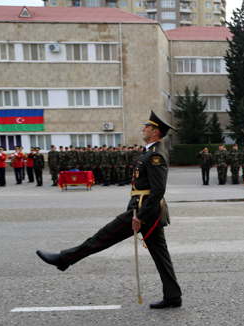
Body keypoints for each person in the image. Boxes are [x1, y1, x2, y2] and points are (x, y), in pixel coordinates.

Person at [37, 110, 183, 309]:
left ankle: (63, 259)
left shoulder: (156, 154)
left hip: (143, 212)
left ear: (155, 131)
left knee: (102, 237)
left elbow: (158, 189)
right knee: (161, 255)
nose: (143, 129)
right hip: (146, 210)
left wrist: (140, 215)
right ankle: (173, 296)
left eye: (146, 127)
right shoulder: (150, 151)